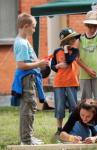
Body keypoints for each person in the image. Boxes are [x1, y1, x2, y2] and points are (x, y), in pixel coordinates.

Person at [12, 13, 49, 145]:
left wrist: (40, 62)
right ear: (25, 26)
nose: (34, 30)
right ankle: (26, 140)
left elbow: (28, 60)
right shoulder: (21, 43)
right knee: (27, 109)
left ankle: (28, 137)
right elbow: (21, 65)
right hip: (26, 79)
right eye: (33, 27)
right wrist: (39, 64)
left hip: (30, 78)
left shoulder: (24, 41)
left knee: (31, 107)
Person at [77, 4, 97, 103]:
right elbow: (76, 58)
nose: (92, 29)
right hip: (84, 74)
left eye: (95, 26)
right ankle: (86, 118)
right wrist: (88, 69)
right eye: (90, 26)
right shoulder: (80, 39)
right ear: (86, 25)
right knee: (85, 101)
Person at [52, 28, 80, 137]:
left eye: (74, 38)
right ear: (66, 40)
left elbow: (69, 61)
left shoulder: (75, 51)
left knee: (73, 107)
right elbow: (53, 66)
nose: (74, 40)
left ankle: (71, 127)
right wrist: (57, 66)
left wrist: (65, 50)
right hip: (59, 83)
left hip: (72, 82)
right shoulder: (56, 52)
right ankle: (59, 129)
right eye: (72, 38)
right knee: (59, 107)